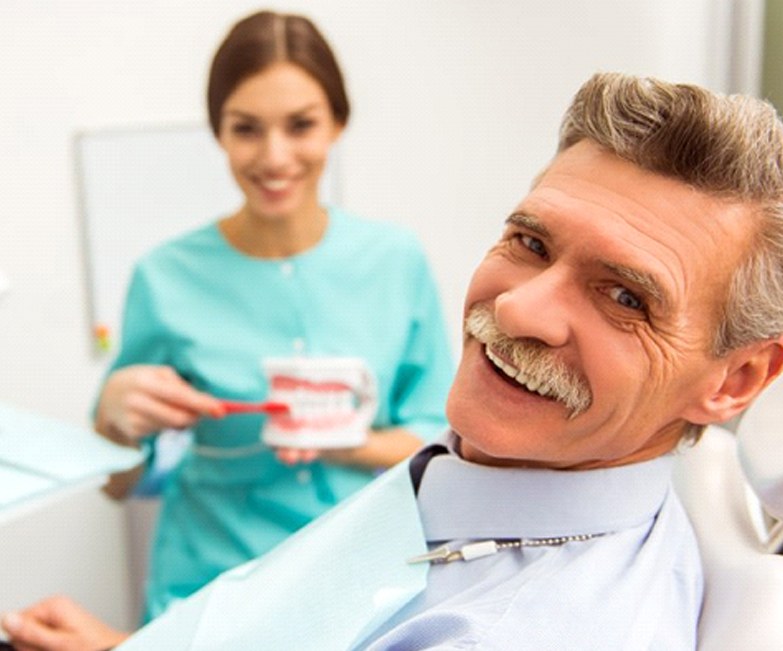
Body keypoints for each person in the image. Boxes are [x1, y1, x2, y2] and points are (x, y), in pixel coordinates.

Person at [5, 71, 783, 650]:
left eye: (623, 297)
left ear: (735, 379)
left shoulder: (524, 624)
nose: (516, 309)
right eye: (530, 242)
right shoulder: (487, 468)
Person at [87, 8, 453, 623]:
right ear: (219, 132)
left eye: (301, 125)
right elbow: (120, 483)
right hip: (208, 595)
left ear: (338, 122)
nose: (274, 156)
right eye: (247, 129)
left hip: (365, 588)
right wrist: (112, 422)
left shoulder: (395, 260)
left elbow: (442, 443)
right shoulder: (164, 276)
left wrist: (345, 442)